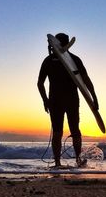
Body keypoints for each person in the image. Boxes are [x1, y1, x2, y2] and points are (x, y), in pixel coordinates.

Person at [37, 33, 98, 167]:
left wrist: (94, 98)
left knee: (74, 130)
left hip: (68, 100)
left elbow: (85, 79)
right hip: (56, 101)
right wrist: (45, 100)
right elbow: (40, 83)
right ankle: (59, 162)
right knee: (60, 131)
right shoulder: (49, 60)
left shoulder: (74, 60)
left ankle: (77, 159)